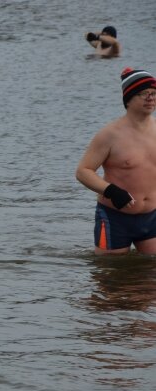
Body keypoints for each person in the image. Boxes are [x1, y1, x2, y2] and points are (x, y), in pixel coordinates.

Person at [75, 67, 156, 255]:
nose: (150, 98)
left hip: (152, 217)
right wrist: (111, 191)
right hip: (115, 218)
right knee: (110, 275)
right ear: (128, 99)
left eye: (153, 93)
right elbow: (83, 171)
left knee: (151, 279)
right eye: (143, 93)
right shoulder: (110, 135)